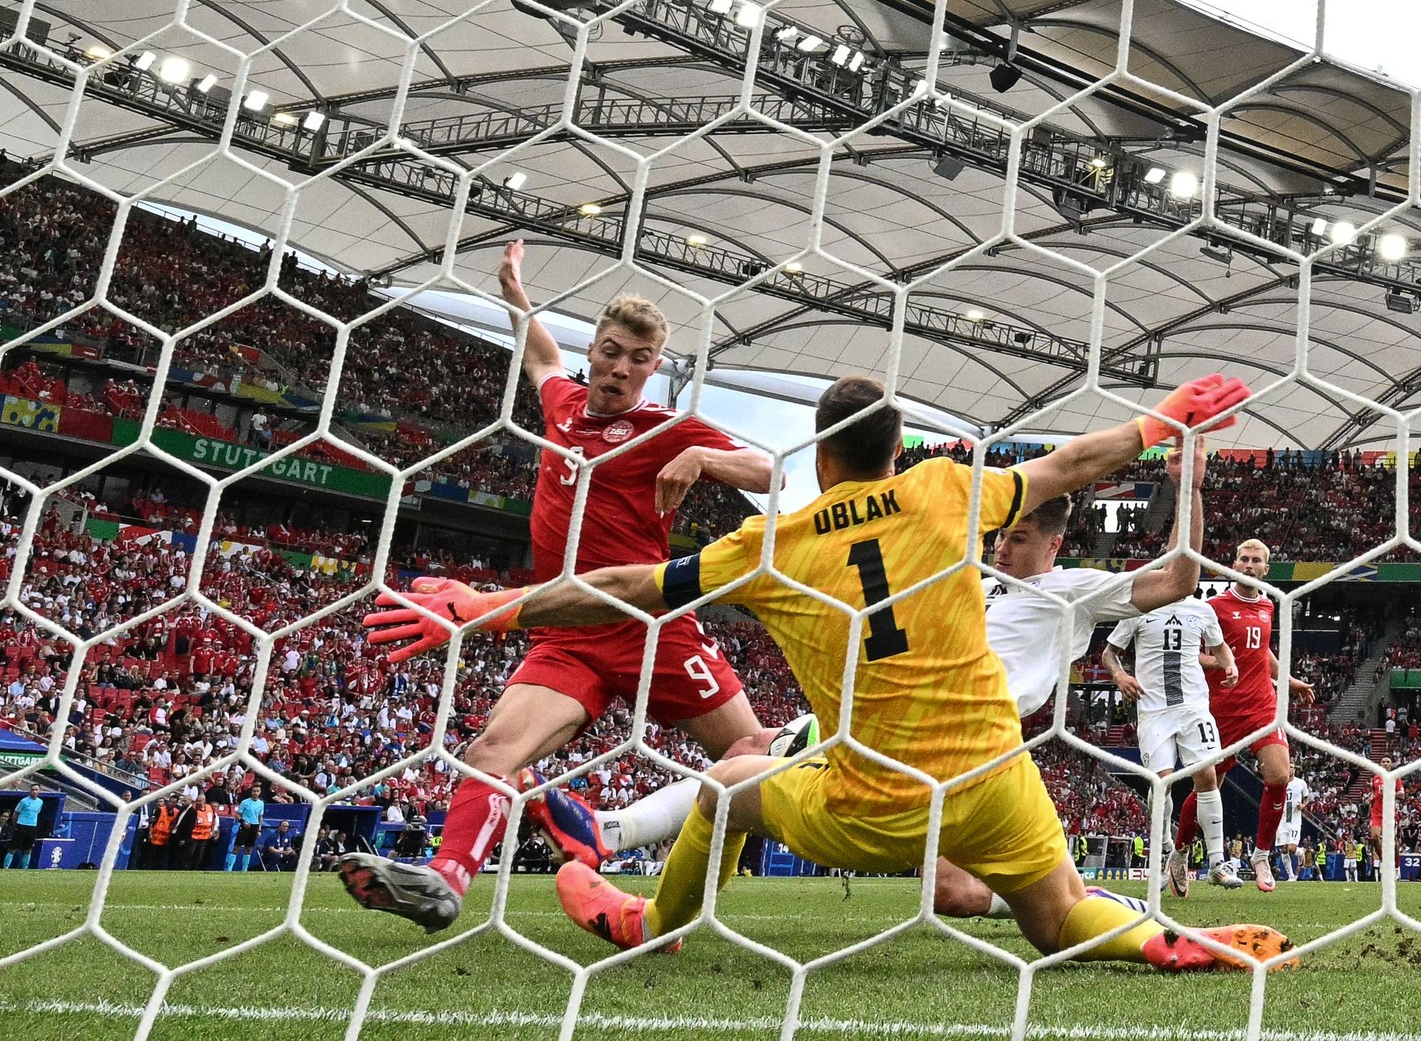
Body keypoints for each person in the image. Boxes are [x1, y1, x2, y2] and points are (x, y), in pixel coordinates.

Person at [367, 372, 1294, 971]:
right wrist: (1164, 421)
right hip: (996, 778)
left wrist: (488, 609)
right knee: (1053, 922)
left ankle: (655, 922)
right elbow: (1073, 461)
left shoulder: (770, 546)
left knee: (731, 781)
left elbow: (625, 587)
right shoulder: (947, 490)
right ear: (898, 452)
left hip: (877, 798)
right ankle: (1169, 941)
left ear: (818, 457)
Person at [524, 437, 1219, 921]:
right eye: (1001, 536)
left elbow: (1180, 579)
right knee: (745, 757)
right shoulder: (964, 574)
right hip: (889, 716)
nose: (1003, 547)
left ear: (1055, 546)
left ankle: (1085, 904)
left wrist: (1186, 486)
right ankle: (610, 833)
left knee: (950, 892)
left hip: (967, 740)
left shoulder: (1075, 589)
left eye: (1020, 540)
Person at [338, 240, 780, 932]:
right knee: (491, 752)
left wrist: (700, 456)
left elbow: (772, 473)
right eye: (611, 351)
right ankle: (444, 882)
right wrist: (517, 294)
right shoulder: (564, 406)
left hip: (651, 628)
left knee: (751, 757)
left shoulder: (665, 429)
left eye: (639, 360)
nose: (621, 368)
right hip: (567, 629)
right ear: (596, 350)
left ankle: (671, 890)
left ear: (654, 369)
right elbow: (541, 355)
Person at [1170, 539, 1315, 894]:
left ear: (1266, 569)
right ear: (1233, 564)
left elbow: (1262, 651)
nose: (1248, 565)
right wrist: (1222, 661)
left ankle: (1261, 854)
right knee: (1207, 788)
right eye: (1243, 559)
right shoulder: (1212, 608)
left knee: (1279, 775)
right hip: (1220, 710)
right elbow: (1191, 654)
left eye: (1256, 561)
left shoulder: (1267, 605)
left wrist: (1289, 681)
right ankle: (1180, 853)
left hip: (1262, 706)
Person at [1103, 582, 1240, 893]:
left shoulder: (1202, 610)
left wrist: (1230, 664)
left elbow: (1219, 647)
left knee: (1207, 773)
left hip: (1194, 708)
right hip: (1153, 710)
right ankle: (1165, 847)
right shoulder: (1139, 608)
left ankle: (1217, 862)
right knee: (1162, 780)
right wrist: (1119, 675)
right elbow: (1110, 653)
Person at [1367, 755, 1403, 878]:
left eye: (1388, 761)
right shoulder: (1375, 779)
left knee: (1394, 844)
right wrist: (1370, 798)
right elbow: (1374, 794)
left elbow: (1401, 795)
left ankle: (1397, 866)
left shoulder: (1395, 778)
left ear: (1391, 764)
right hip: (1376, 813)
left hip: (1389, 814)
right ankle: (1383, 861)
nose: (1385, 763)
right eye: (1383, 761)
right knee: (1375, 837)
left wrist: (1390, 792)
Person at [1274, 768, 1308, 882]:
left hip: (1294, 821)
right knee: (1284, 849)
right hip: (1282, 821)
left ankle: (1301, 851)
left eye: (1292, 767)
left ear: (1295, 769)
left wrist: (1303, 806)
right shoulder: (1280, 782)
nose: (1290, 769)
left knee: (1291, 849)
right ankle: (1291, 876)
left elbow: (1307, 798)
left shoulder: (1300, 783)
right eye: (1288, 767)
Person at [228, 784, 264, 872]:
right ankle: (229, 869)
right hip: (245, 826)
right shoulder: (245, 802)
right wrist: (243, 822)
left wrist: (259, 829)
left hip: (254, 826)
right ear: (251, 792)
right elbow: (237, 815)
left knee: (249, 848)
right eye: (254, 791)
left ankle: (244, 870)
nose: (255, 793)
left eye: (257, 791)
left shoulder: (261, 803)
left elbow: (260, 816)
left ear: (260, 792)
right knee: (237, 847)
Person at [4, 786, 42, 869]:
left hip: (32, 827)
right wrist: (16, 825)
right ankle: (6, 867)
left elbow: (37, 812)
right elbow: (15, 814)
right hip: (21, 825)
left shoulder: (40, 802)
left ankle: (25, 868)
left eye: (36, 790)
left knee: (28, 848)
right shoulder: (24, 801)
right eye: (32, 790)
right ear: (29, 791)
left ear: (39, 791)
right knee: (13, 847)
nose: (34, 792)